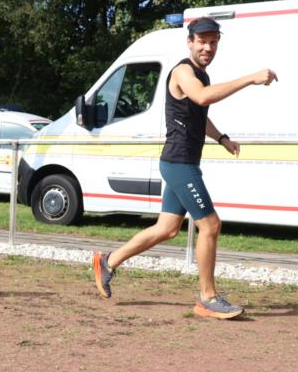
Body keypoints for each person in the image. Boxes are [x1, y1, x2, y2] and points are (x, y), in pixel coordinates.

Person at [92, 17, 278, 319]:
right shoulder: (183, 71)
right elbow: (202, 97)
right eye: (202, 41)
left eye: (213, 41)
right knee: (211, 225)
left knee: (166, 229)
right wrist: (250, 78)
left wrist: (222, 138)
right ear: (189, 42)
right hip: (179, 163)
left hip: (183, 162)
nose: (208, 47)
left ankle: (107, 262)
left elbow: (198, 112)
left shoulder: (201, 76)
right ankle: (207, 298)